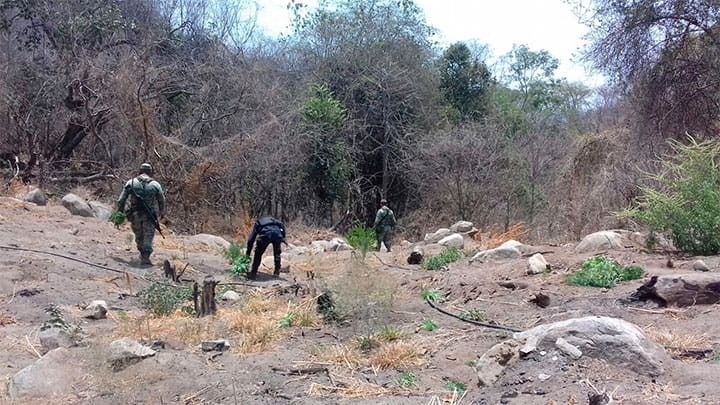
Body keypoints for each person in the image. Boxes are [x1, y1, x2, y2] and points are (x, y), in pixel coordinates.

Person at [117, 163, 166, 266]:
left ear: (139, 171)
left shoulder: (131, 183)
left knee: (139, 235)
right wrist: (162, 213)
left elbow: (121, 200)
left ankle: (142, 252)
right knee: (148, 235)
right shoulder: (155, 185)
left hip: (135, 215)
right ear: (150, 172)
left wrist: (120, 212)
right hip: (149, 216)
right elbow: (162, 200)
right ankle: (145, 257)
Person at [246, 215, 286, 279]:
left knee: (258, 253)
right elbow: (282, 225)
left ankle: (253, 273)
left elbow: (251, 239)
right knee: (277, 253)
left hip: (266, 234)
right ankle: (276, 272)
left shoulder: (258, 222)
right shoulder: (275, 221)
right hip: (278, 234)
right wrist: (283, 237)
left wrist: (247, 253)